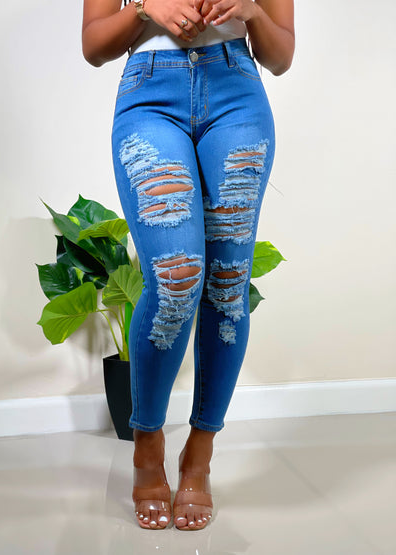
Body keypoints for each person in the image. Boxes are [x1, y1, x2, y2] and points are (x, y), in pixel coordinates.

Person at [82, 0, 294, 531]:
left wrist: (252, 11)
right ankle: (147, 442)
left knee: (228, 283)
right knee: (176, 277)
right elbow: (93, 45)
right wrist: (145, 9)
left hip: (237, 92)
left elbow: (281, 54)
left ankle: (200, 452)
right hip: (150, 93)